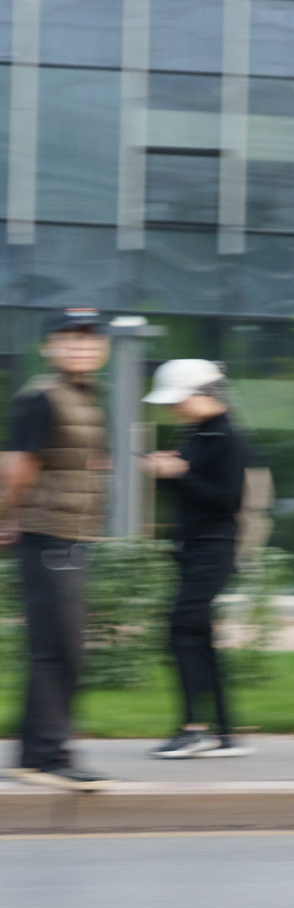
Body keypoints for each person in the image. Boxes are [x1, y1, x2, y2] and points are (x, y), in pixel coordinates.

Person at [0, 307, 115, 792]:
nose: (79, 346)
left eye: (88, 339)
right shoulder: (42, 397)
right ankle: (49, 756)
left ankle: (37, 755)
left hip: (71, 534)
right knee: (61, 649)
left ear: (102, 349)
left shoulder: (85, 396)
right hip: (49, 535)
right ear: (49, 347)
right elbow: (17, 465)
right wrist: (7, 518)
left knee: (56, 649)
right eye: (68, 338)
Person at [141, 357, 256, 759]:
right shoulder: (197, 434)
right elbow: (192, 493)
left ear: (204, 393)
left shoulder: (227, 438)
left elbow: (226, 500)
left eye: (179, 399)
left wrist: (180, 473)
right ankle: (224, 734)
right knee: (199, 638)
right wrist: (167, 472)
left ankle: (194, 730)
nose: (175, 407)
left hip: (213, 548)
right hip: (193, 548)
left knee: (182, 629)